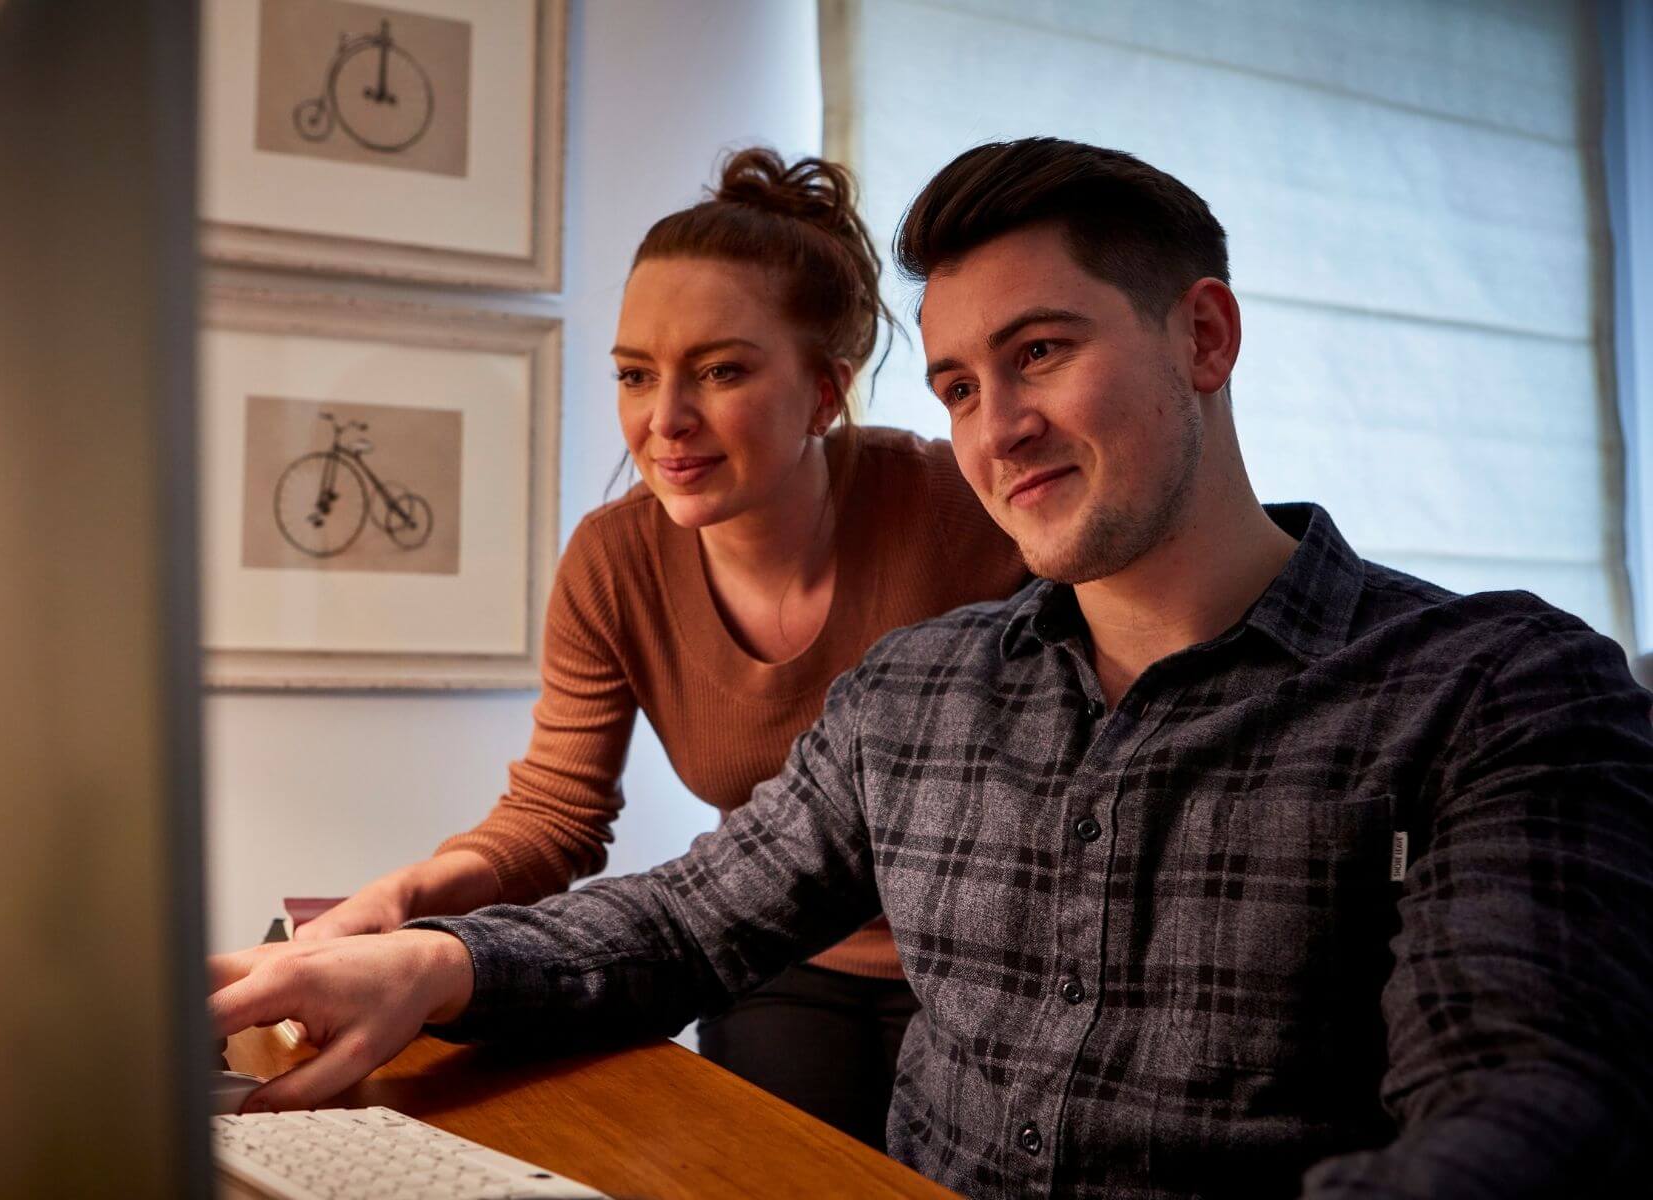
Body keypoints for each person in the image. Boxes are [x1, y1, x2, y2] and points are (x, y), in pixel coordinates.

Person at [209, 138, 1653, 1198]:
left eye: (1043, 352)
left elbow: (1525, 1097)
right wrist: (435, 961)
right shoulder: (912, 695)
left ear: (1204, 337)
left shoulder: (1497, 692)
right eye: (960, 384)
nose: (996, 426)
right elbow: (683, 922)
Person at [280, 147, 1030, 1148]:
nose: (663, 421)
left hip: (985, 958)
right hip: (776, 947)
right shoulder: (614, 560)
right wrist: (412, 898)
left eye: (720, 371)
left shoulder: (964, 504)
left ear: (825, 393)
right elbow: (558, 814)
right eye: (636, 375)